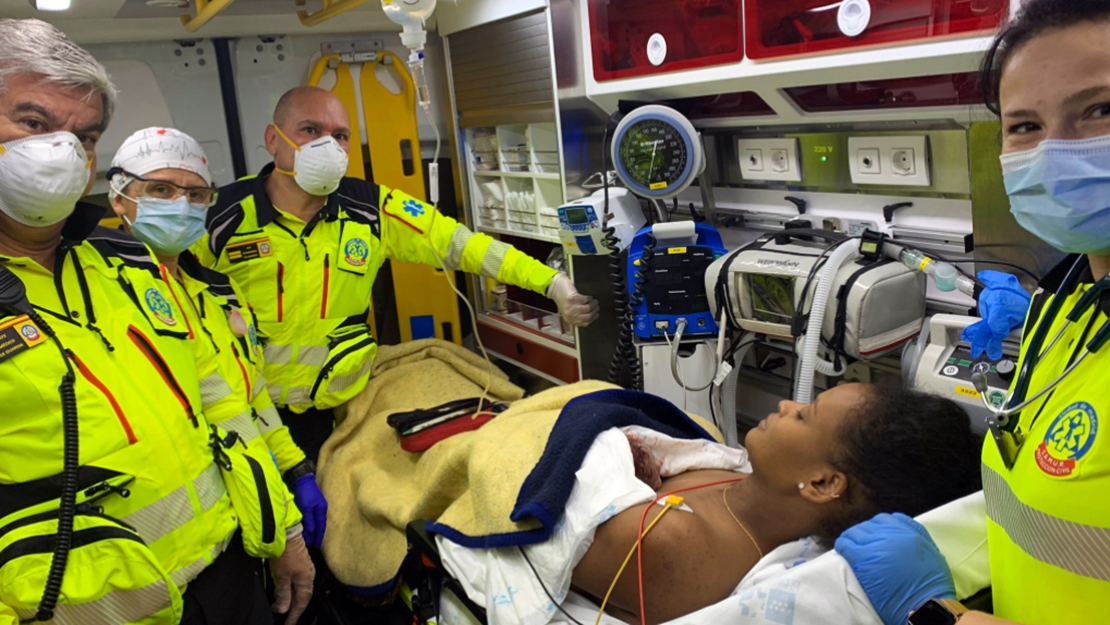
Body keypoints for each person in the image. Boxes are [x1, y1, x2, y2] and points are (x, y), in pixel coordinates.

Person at [834, 2, 1110, 624]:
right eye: (1024, 126)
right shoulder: (1071, 308)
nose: (1055, 153)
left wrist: (936, 614)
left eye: (1101, 109)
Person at [0, 18, 278, 625]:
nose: (61, 151)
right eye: (33, 122)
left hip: (228, 578)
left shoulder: (124, 268)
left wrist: (283, 530)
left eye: (85, 135)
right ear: (124, 195)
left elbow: (218, 400)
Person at [194, 86, 599, 470]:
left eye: (341, 136)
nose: (328, 146)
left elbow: (460, 244)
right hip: (248, 411)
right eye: (310, 130)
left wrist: (551, 283)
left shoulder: (370, 209)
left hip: (342, 411)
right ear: (273, 139)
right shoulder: (221, 216)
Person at [107, 127, 320, 624]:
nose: (180, 205)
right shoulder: (97, 294)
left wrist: (296, 471)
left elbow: (248, 398)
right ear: (120, 196)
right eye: (160, 190)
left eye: (195, 194)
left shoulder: (216, 292)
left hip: (232, 540)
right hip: (142, 572)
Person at [570, 383, 983, 625]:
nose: (787, 405)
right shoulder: (739, 474)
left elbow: (536, 505)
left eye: (805, 416)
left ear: (822, 484)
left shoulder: (673, 546)